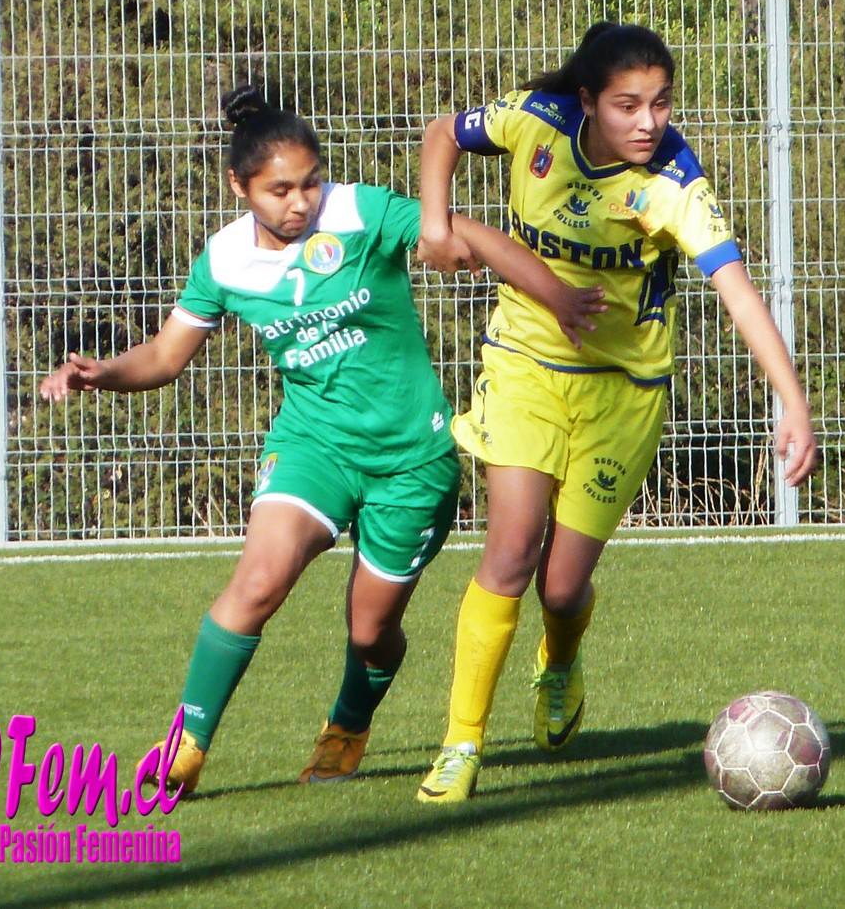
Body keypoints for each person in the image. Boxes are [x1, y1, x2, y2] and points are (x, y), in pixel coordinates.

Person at [39, 85, 604, 792]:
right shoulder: (223, 261)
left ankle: (347, 726)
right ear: (238, 186)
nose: (299, 202)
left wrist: (557, 296)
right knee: (258, 582)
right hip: (314, 447)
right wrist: (103, 373)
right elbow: (164, 357)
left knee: (370, 632)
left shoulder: (359, 212)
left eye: (309, 182)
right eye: (278, 190)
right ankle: (186, 743)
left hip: (411, 462)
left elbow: (468, 235)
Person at [412, 22, 818, 803]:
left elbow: (737, 293)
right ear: (588, 100)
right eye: (627, 104)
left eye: (660, 103)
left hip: (622, 396)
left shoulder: (674, 182)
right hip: (525, 367)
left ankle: (558, 658)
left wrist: (792, 402)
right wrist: (436, 221)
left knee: (562, 590)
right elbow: (443, 134)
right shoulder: (536, 119)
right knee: (510, 552)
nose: (647, 121)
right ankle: (461, 745)